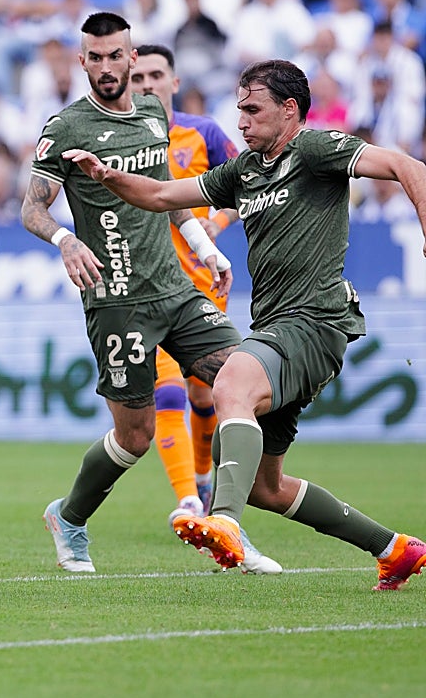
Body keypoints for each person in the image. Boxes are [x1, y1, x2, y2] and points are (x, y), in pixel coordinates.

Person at [63, 58, 426, 590]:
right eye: (239, 110)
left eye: (253, 110)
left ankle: (224, 520)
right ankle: (395, 548)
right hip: (279, 325)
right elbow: (164, 196)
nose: (242, 121)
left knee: (231, 379)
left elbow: (407, 165)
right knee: (266, 486)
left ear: (289, 109)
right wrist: (108, 175)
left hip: (315, 319)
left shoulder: (315, 149)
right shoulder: (246, 171)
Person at [21, 12, 242, 574]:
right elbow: (32, 207)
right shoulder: (66, 127)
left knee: (242, 380)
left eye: (114, 56)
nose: (105, 67)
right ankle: (69, 517)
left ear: (130, 56)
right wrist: (66, 239)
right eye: (93, 58)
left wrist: (208, 250)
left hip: (175, 288)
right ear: (83, 62)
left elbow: (168, 192)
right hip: (116, 302)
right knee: (136, 436)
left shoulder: (151, 114)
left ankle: (225, 518)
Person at [130, 44, 282, 574]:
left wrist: (215, 227)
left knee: (208, 393)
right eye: (139, 75)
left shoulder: (204, 133)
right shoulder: (121, 136)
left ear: (174, 81)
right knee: (167, 387)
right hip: (148, 293)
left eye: (156, 74)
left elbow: (245, 183)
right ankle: (190, 500)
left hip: (203, 289)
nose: (147, 83)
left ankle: (198, 478)